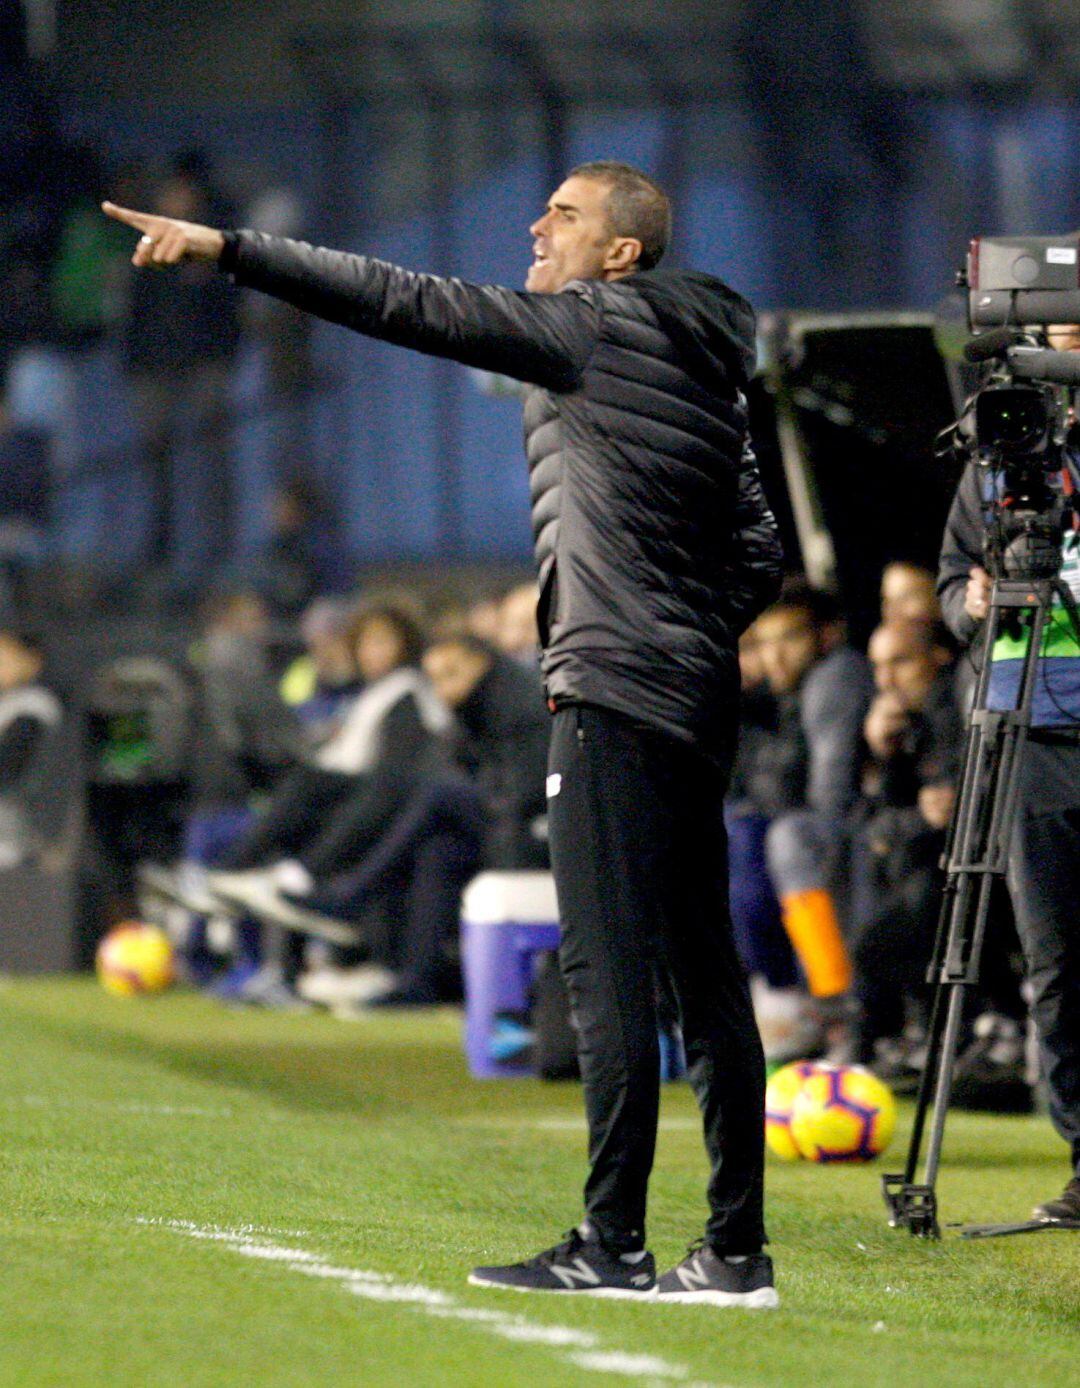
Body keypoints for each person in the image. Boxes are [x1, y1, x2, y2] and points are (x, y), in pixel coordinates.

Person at [102, 158, 784, 1304]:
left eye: (563, 214)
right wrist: (686, 631)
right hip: (689, 692)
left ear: (620, 252)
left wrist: (231, 249)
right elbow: (761, 548)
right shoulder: (714, 366)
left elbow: (401, 298)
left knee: (608, 973)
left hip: (613, 693)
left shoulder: (587, 326)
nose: (536, 222)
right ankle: (735, 1250)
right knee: (704, 978)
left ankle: (612, 1241)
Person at [939, 435, 1080, 1222]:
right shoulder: (999, 463)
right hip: (1034, 728)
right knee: (1057, 958)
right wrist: (972, 600)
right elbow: (951, 583)